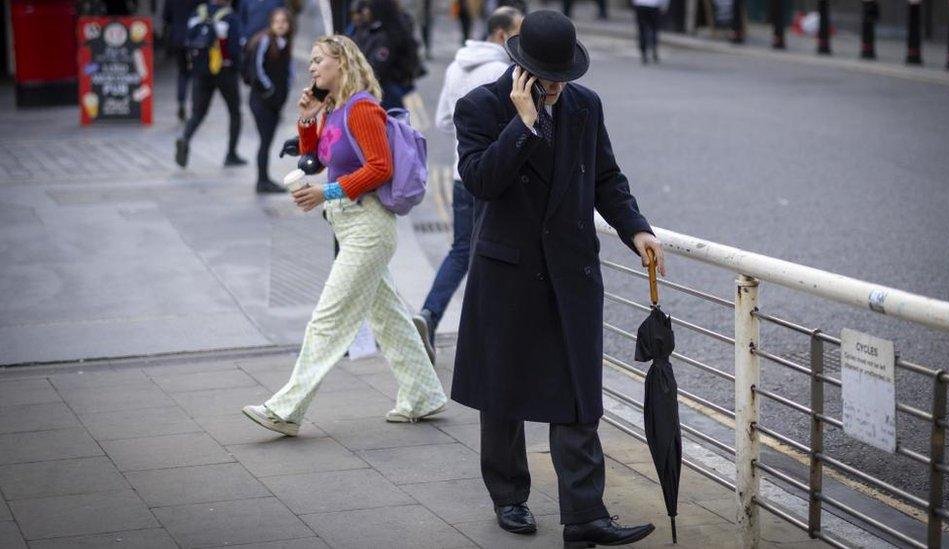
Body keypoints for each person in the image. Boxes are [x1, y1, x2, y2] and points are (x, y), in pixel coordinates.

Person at [451, 10, 665, 547]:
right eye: (547, 78)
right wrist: (521, 125)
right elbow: (481, 181)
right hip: (509, 272)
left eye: (562, 77)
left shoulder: (585, 107)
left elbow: (606, 177)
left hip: (570, 269)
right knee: (504, 394)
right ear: (521, 66)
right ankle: (510, 497)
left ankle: (585, 515)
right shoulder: (479, 107)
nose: (555, 87)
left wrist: (635, 228)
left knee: (577, 395)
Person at [243, 35, 448, 434]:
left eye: (319, 60)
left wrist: (327, 192)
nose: (312, 67)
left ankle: (286, 409)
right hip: (348, 221)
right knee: (388, 318)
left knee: (328, 318)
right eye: (312, 61)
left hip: (368, 225)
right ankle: (423, 394)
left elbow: (380, 168)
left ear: (342, 62)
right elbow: (318, 160)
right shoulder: (335, 110)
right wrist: (307, 119)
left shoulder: (362, 108)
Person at [411, 6, 523, 363]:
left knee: (462, 251)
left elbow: (445, 120)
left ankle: (429, 313)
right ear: (503, 34)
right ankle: (487, 340)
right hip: (494, 177)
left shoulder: (456, 65)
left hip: (463, 173)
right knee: (494, 258)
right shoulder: (505, 71)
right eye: (519, 31)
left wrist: (469, 139)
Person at [176, 0, 247, 168]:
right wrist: (240, 69)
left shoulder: (197, 13)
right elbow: (236, 49)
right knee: (234, 112)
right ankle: (231, 153)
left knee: (198, 113)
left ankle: (185, 137)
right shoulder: (229, 17)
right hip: (225, 72)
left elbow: (189, 39)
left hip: (200, 72)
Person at [247, 8, 293, 193]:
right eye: (277, 21)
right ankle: (262, 181)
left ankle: (264, 179)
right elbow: (256, 70)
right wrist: (270, 91)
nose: (280, 24)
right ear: (271, 23)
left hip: (274, 102)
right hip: (262, 101)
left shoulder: (284, 42)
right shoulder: (265, 40)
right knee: (265, 141)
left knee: (267, 140)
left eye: (284, 21)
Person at [352, 0, 421, 110]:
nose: (365, 12)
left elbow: (377, 67)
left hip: (389, 94)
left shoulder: (387, 37)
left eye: (368, 8)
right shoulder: (369, 29)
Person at [163, 0, 203, 121]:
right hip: (195, 39)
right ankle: (196, 106)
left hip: (178, 38)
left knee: (182, 72)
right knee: (196, 73)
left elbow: (166, 16)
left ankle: (181, 102)